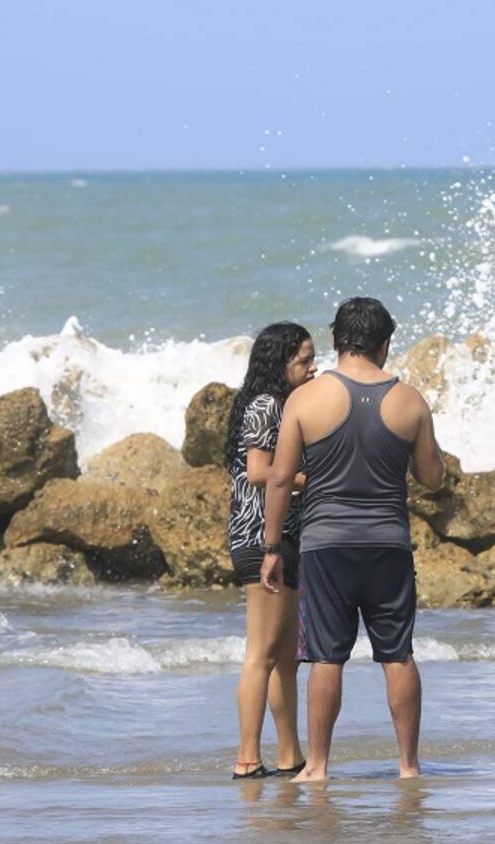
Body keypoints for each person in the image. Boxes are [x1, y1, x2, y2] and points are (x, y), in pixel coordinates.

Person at [261, 297, 444, 781]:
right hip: (388, 545)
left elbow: (279, 479)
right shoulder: (410, 400)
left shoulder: (306, 399)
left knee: (325, 656)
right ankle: (408, 765)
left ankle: (318, 766)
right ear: (384, 343)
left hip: (326, 546)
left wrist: (272, 548)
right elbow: (432, 477)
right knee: (398, 654)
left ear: (335, 340)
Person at [224, 322, 316, 780]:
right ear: (280, 364)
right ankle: (246, 758)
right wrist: (312, 480)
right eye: (304, 360)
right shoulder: (266, 405)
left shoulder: (284, 404)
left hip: (281, 538)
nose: (313, 367)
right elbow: (260, 471)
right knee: (261, 653)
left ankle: (289, 755)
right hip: (261, 540)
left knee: (284, 658)